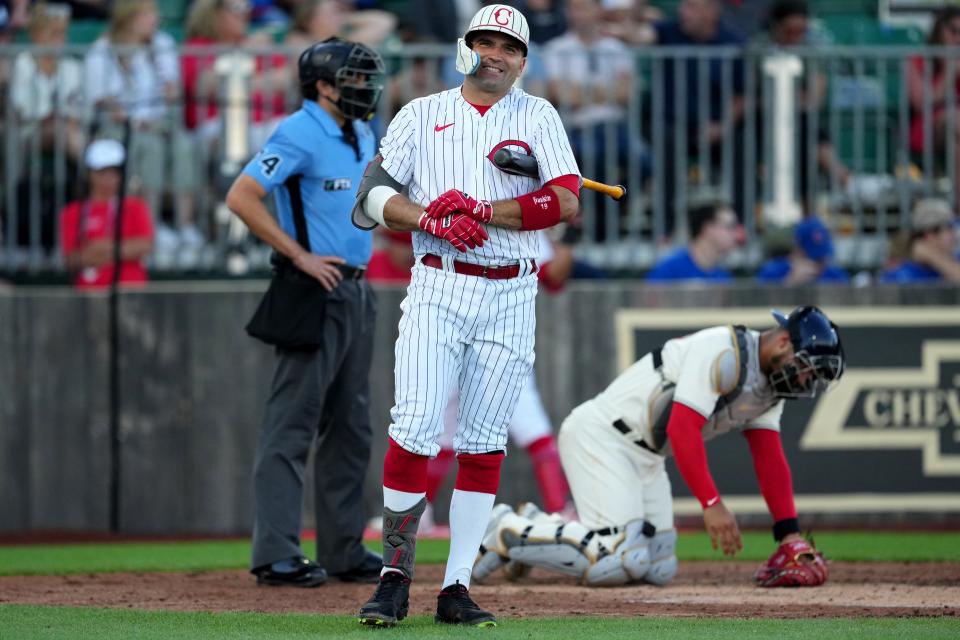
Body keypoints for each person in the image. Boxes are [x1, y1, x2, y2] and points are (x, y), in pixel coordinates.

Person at [351, 4, 580, 627]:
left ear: (524, 60)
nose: (496, 54)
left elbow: (563, 199)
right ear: (465, 47)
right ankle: (394, 576)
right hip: (439, 284)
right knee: (416, 425)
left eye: (509, 46)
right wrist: (428, 216)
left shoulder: (538, 114)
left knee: (483, 443)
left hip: (511, 290)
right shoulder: (421, 113)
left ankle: (455, 586)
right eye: (484, 41)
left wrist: (480, 208)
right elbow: (370, 197)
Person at [474, 305, 843, 588]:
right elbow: (683, 429)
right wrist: (711, 504)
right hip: (603, 436)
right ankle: (506, 529)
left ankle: (538, 527)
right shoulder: (726, 351)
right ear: (783, 341)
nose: (807, 379)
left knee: (658, 567)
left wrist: (788, 531)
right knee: (619, 560)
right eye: (809, 367)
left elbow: (769, 458)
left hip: (646, 456)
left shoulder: (769, 390)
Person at [224, 37, 386, 587]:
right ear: (323, 86)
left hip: (359, 289)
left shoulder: (361, 131)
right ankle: (275, 553)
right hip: (314, 287)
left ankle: (343, 549)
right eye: (355, 79)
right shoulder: (298, 130)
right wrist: (298, 254)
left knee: (352, 426)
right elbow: (242, 195)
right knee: (291, 424)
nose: (365, 88)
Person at [84, 0, 198, 251]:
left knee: (183, 146)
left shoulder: (163, 44)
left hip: (159, 122)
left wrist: (165, 101)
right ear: (129, 17)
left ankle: (186, 225)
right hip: (117, 128)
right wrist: (133, 120)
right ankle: (151, 224)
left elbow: (171, 92)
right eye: (148, 14)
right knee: (152, 147)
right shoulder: (102, 50)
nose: (155, 19)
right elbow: (103, 101)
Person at [8, 2, 84, 252]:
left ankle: (91, 186)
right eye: (52, 33)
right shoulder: (22, 64)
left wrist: (61, 118)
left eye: (62, 34)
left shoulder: (72, 66)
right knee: (70, 135)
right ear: (37, 35)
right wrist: (55, 117)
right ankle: (94, 178)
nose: (58, 40)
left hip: (65, 131)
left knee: (71, 135)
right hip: (28, 134)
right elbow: (23, 112)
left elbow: (78, 111)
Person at [59, 139, 154, 289]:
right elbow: (72, 259)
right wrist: (121, 251)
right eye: (102, 172)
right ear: (90, 173)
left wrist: (99, 248)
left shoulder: (136, 206)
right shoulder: (72, 211)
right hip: (90, 293)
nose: (109, 178)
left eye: (114, 172)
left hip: (130, 291)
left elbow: (144, 246)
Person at [907, 7, 960, 194]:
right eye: (954, 31)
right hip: (928, 132)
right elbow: (921, 103)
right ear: (939, 31)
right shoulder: (917, 61)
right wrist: (950, 70)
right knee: (955, 121)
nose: (958, 39)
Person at [645, 200, 742, 283]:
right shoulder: (669, 270)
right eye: (730, 227)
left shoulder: (723, 278)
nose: (736, 234)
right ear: (708, 228)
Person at [879, 198, 960, 284]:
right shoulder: (902, 275)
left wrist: (932, 256)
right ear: (929, 235)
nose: (954, 234)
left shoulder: (955, 258)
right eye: (949, 227)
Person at [756, 217, 849, 284]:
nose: (820, 264)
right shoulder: (772, 272)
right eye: (814, 259)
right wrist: (790, 282)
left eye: (823, 258)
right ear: (798, 250)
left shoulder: (835, 275)